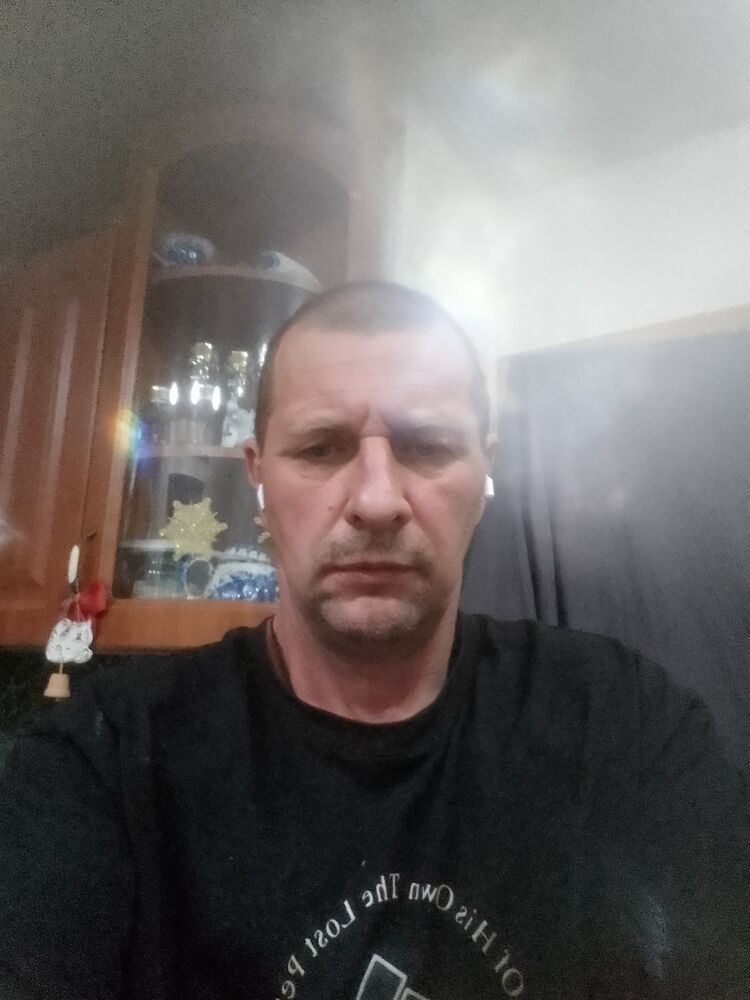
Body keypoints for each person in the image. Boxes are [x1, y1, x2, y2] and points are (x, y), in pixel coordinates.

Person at [0, 282, 747, 1000]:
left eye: (427, 446)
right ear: (258, 479)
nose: (378, 500)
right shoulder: (101, 762)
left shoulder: (630, 726)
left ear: (484, 473)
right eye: (321, 448)